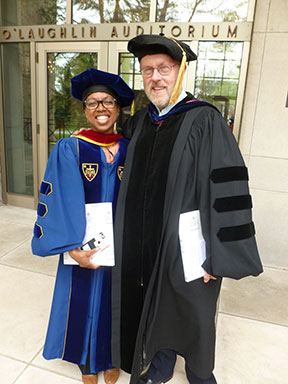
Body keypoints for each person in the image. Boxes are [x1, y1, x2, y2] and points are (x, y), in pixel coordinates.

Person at [109, 34, 263, 384]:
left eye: (163, 68)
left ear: (180, 72)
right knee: (152, 306)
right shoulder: (141, 122)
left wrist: (217, 256)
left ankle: (199, 374)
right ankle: (158, 366)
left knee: (193, 316)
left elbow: (228, 190)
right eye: (147, 70)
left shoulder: (204, 120)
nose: (155, 78)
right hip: (144, 245)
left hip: (189, 249)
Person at [31, 68, 135, 384]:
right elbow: (56, 198)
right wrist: (72, 249)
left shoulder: (130, 148)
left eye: (108, 102)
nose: (101, 108)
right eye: (93, 102)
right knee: (81, 299)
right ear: (85, 109)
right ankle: (87, 363)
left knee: (114, 301)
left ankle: (111, 356)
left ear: (118, 109)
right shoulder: (70, 147)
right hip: (81, 246)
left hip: (119, 245)